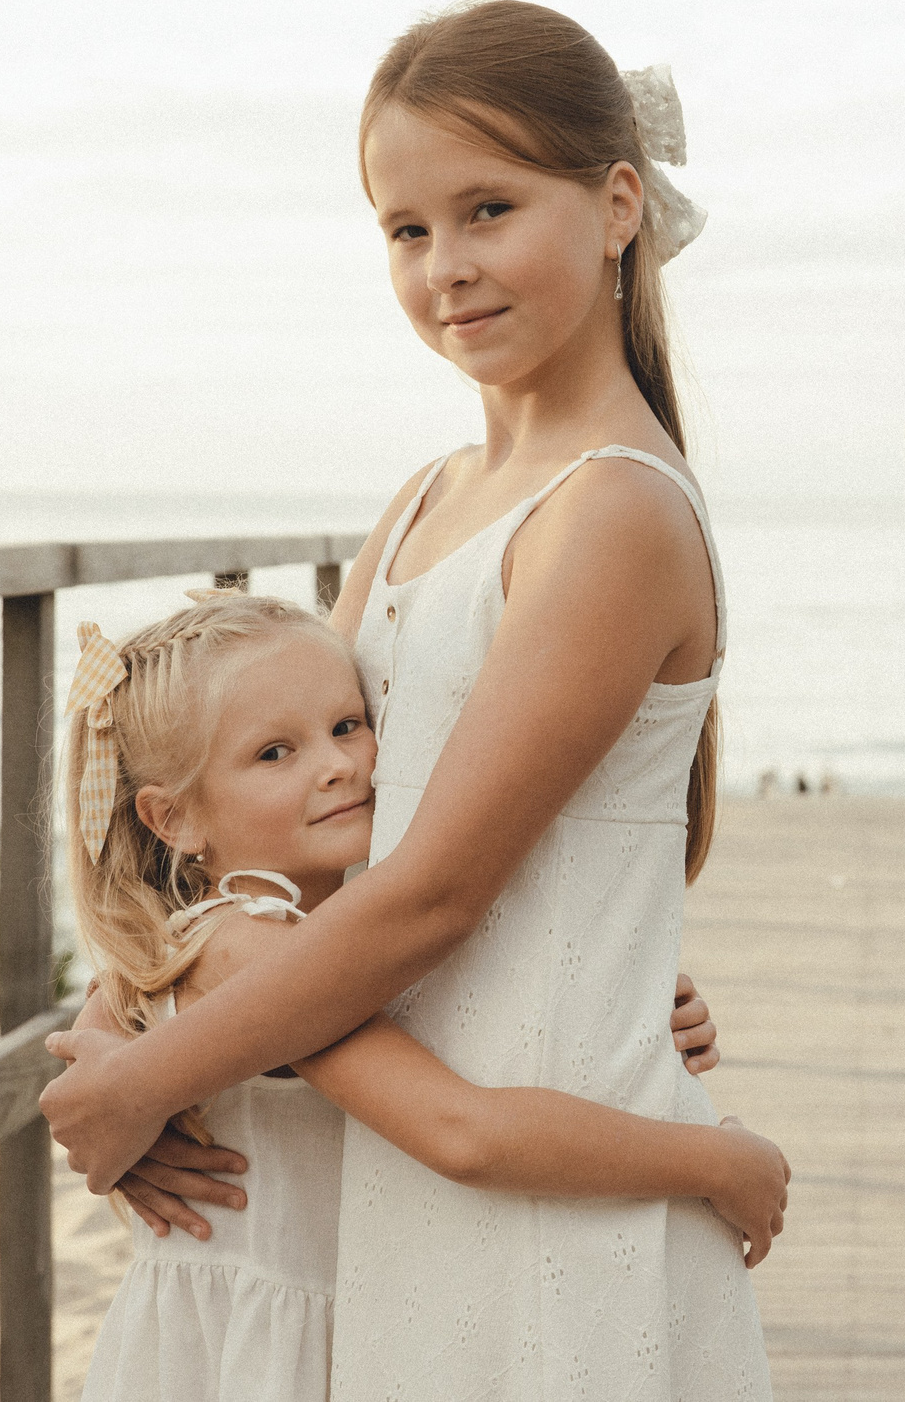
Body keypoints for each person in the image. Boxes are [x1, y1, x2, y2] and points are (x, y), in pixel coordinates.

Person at [38, 0, 775, 1397]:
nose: (448, 267)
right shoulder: (430, 500)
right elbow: (280, 824)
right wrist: (136, 1005)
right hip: (403, 1164)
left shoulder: (609, 512)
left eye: (490, 209)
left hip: (555, 1189)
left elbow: (432, 893)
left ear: (619, 204)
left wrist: (151, 1079)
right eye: (406, 228)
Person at [63, 594, 790, 1402]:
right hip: (266, 1359)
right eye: (274, 753)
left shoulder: (304, 931)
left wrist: (619, 1003)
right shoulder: (248, 949)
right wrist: (716, 1162)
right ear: (173, 818)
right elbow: (462, 1131)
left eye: (347, 724)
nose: (339, 764)